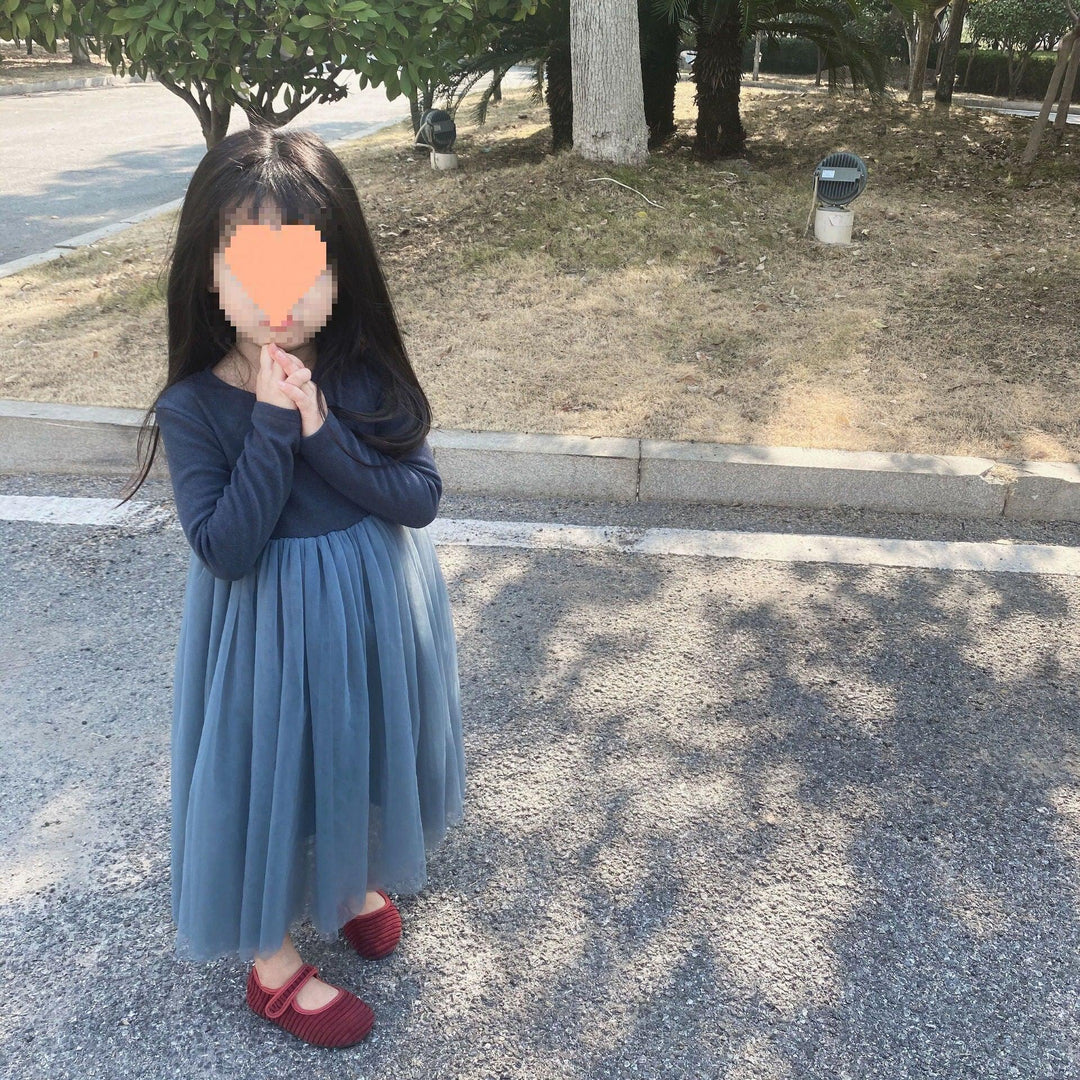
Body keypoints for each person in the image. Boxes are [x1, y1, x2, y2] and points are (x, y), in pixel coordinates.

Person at [145, 125, 466, 1048]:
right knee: (267, 768)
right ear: (211, 274)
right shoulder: (195, 406)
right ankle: (269, 952)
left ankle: (346, 880)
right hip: (266, 633)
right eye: (253, 266)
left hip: (370, 607)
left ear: (339, 270)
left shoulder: (361, 372)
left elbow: (419, 496)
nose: (279, 296)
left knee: (354, 745)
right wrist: (275, 426)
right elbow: (226, 547)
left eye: (302, 265)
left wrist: (323, 426)